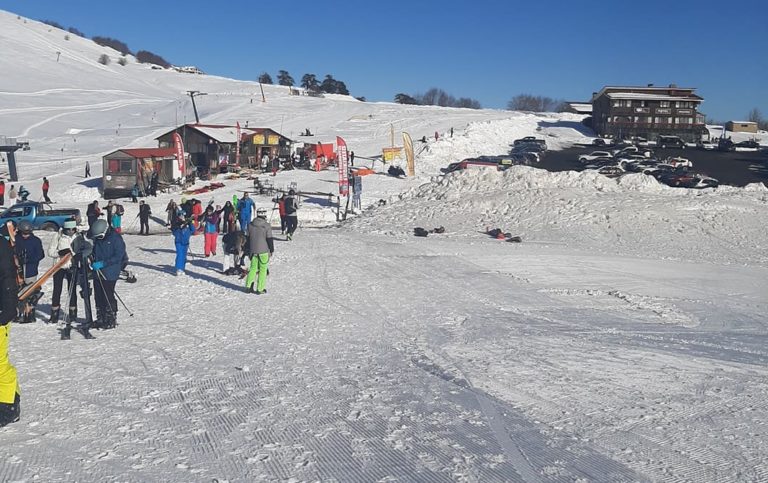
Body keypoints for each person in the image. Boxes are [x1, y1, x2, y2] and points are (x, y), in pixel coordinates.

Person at [89, 219, 127, 329]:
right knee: (98, 295)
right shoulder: (98, 239)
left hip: (110, 272)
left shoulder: (116, 238)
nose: (99, 238)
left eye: (100, 236)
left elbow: (118, 256)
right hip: (98, 271)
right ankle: (101, 317)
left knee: (108, 295)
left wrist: (103, 263)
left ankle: (111, 317)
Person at [0, 229, 20, 427]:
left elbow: (7, 277)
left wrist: (6, 309)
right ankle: (12, 397)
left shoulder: (1, 245)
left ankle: (8, 406)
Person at [47, 220, 78, 325]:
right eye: (68, 229)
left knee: (72, 290)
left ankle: (73, 313)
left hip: (71, 266)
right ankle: (54, 313)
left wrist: (73, 253)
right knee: (57, 290)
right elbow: (50, 252)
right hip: (59, 266)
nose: (70, 231)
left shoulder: (77, 236)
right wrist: (60, 253)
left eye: (72, 229)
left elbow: (80, 250)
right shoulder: (58, 236)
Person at [245, 207, 274, 294]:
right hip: (263, 251)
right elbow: (269, 239)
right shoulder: (267, 225)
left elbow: (248, 238)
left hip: (253, 250)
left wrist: (248, 249)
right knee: (263, 270)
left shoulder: (250, 225)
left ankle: (248, 286)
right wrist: (271, 249)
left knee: (253, 268)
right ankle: (260, 288)